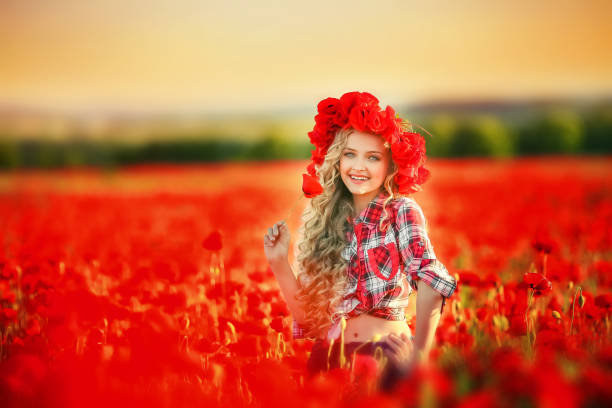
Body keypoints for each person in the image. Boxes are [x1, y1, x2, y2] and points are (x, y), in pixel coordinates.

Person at [263, 91, 457, 392]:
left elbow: (431, 280)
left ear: (390, 165)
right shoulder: (324, 221)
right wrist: (279, 262)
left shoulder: (399, 211)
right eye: (349, 154)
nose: (358, 167)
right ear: (336, 159)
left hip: (384, 359)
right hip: (328, 360)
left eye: (373, 157)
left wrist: (417, 359)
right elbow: (312, 321)